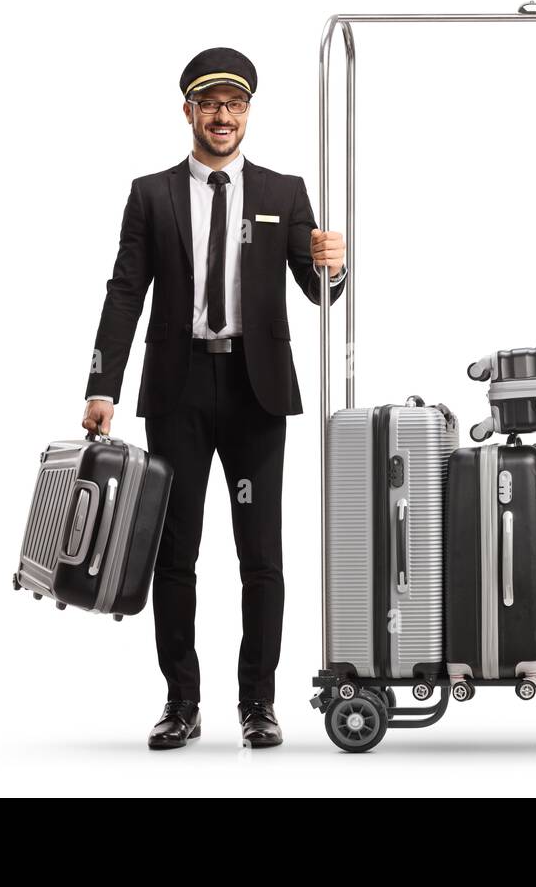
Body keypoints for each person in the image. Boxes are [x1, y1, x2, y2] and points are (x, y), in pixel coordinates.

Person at [82, 47, 346, 750]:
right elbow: (124, 292)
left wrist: (335, 268)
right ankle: (182, 703)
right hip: (180, 392)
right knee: (175, 553)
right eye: (210, 103)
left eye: (235, 104)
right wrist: (102, 384)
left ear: (248, 112)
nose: (223, 115)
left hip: (256, 394)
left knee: (262, 556)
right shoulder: (151, 194)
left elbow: (315, 290)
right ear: (189, 111)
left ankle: (258, 704)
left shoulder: (284, 192)